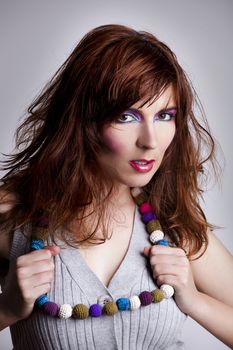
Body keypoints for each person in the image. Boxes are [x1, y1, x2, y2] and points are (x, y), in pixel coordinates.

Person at [0, 23, 232, 350]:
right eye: (127, 117)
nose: (151, 141)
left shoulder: (171, 221)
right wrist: (8, 308)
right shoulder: (16, 212)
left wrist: (194, 301)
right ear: (82, 120)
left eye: (165, 115)